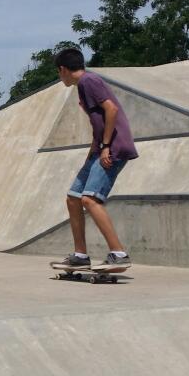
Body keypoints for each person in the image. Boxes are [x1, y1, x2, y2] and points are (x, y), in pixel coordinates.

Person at [53, 48, 137, 269]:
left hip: (114, 147)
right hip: (100, 147)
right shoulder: (85, 86)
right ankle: (80, 256)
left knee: (90, 199)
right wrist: (95, 146)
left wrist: (107, 146)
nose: (59, 77)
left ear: (63, 69)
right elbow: (98, 119)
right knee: (73, 198)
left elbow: (111, 110)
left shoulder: (88, 81)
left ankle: (118, 254)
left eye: (58, 73)